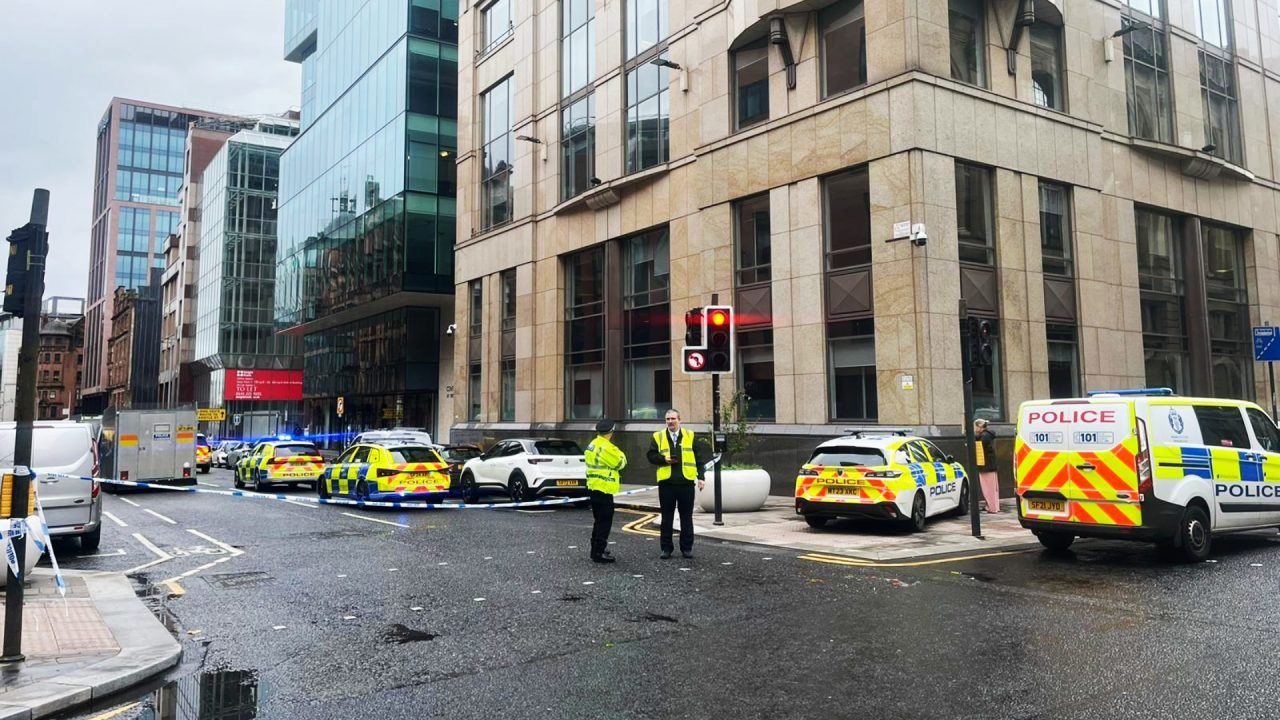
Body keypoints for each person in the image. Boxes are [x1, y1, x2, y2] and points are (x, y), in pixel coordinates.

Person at [646, 409, 706, 559]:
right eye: (667, 419)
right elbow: (651, 456)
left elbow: (699, 458)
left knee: (686, 517)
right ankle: (666, 549)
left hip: (686, 483)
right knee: (667, 518)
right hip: (667, 484)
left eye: (673, 419)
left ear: (680, 420)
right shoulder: (658, 436)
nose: (670, 422)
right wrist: (663, 459)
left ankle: (687, 548)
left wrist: (701, 477)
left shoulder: (690, 435)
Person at [585, 418, 627, 564]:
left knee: (598, 521)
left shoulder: (592, 444)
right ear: (611, 431)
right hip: (604, 488)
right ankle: (599, 552)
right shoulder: (607, 447)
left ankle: (595, 549)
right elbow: (620, 463)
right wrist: (620, 454)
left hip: (593, 486)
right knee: (604, 522)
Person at [974, 418, 999, 513]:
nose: (974, 429)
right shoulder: (988, 435)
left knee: (988, 488)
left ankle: (992, 508)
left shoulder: (984, 437)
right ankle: (993, 507)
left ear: (979, 426)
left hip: (986, 466)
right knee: (992, 488)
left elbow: (977, 446)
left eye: (975, 426)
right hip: (990, 465)